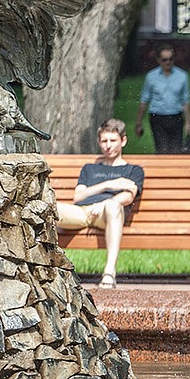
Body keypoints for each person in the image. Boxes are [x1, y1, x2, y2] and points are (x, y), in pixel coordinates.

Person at [55, 119, 145, 290]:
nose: (108, 146)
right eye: (104, 141)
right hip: (83, 212)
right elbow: (78, 196)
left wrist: (105, 203)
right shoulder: (90, 168)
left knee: (113, 206)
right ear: (99, 142)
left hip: (109, 214)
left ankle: (109, 272)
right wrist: (107, 185)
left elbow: (128, 195)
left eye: (113, 141)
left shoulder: (133, 170)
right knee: (48, 209)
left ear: (123, 141)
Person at [136, 48, 190, 153]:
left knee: (176, 150)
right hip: (158, 118)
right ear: (158, 60)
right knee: (162, 149)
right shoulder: (151, 77)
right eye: (164, 59)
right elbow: (144, 100)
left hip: (176, 117)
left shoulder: (182, 76)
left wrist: (188, 122)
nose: (168, 62)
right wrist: (139, 122)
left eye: (171, 59)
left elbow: (185, 100)